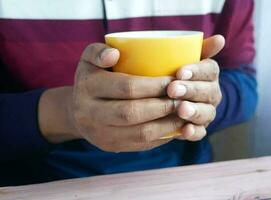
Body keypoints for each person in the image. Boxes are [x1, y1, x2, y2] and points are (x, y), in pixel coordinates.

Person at [0, 0, 257, 186]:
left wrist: (203, 101)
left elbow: (244, 82)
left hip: (182, 180)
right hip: (36, 183)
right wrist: (66, 112)